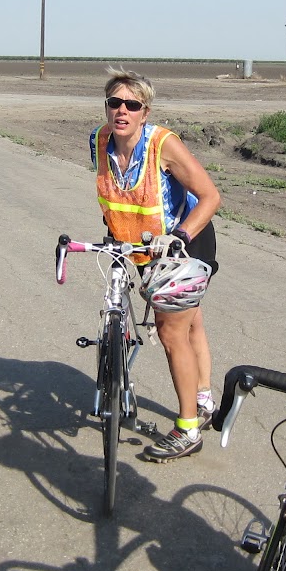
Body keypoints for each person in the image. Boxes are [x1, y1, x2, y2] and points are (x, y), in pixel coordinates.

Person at [90, 68, 222, 461]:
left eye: (132, 105)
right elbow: (114, 194)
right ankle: (204, 401)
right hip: (142, 246)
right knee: (190, 322)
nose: (122, 111)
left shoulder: (163, 145)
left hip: (186, 242)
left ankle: (187, 429)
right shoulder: (100, 141)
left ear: (145, 112)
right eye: (115, 103)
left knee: (170, 331)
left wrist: (179, 237)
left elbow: (211, 196)